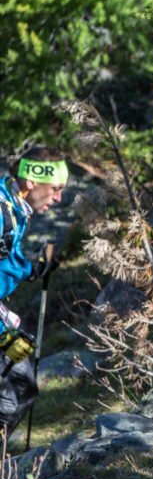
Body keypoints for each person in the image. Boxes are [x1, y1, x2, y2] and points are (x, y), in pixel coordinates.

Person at [0, 147, 67, 436]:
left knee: (24, 389)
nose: (59, 198)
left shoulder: (16, 209)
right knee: (6, 405)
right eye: (55, 189)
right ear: (31, 181)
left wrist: (33, 270)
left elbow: (6, 261)